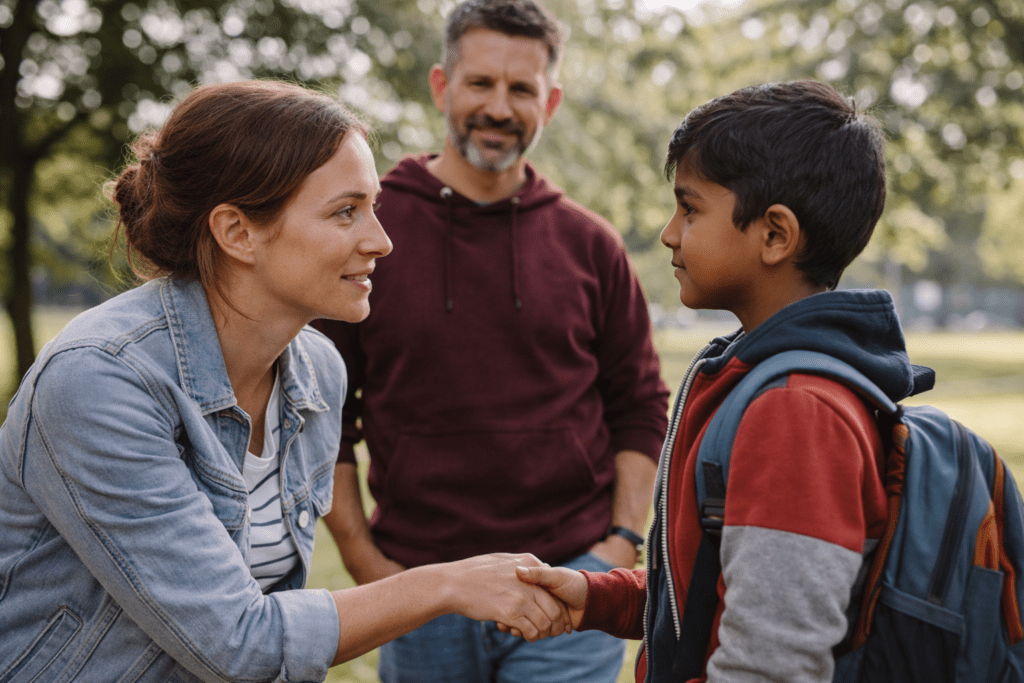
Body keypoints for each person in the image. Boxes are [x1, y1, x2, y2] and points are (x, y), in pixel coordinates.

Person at [0, 80, 574, 683]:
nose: (381, 241)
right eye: (345, 211)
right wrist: (446, 583)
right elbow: (239, 640)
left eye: (373, 207)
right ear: (237, 232)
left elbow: (280, 610)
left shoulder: (318, 371)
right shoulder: (100, 380)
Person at [311, 0, 669, 680]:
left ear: (550, 101)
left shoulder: (590, 244)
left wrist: (619, 544)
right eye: (481, 83)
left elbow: (641, 403)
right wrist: (367, 564)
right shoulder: (370, 234)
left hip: (566, 585)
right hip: (423, 588)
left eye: (522, 89)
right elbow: (323, 416)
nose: (499, 107)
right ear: (443, 85)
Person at [518, 80, 916, 682]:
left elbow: (771, 661)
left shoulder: (796, 412)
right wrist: (598, 597)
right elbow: (714, 591)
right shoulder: (753, 377)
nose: (669, 233)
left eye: (691, 207)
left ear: (775, 235)